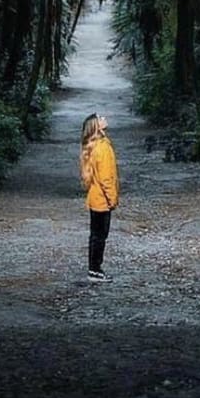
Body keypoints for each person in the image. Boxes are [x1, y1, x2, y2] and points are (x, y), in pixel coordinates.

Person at [79, 112, 119, 282]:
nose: (104, 117)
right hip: (101, 200)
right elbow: (106, 178)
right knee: (99, 236)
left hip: (95, 198)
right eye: (101, 117)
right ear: (96, 125)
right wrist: (112, 199)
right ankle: (95, 270)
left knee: (95, 235)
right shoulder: (102, 147)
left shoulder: (94, 145)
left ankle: (93, 269)